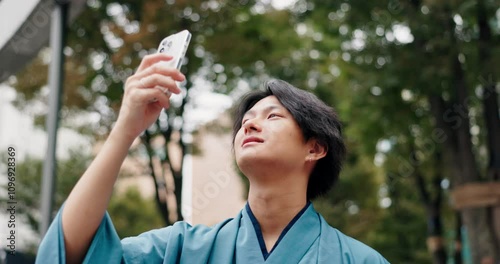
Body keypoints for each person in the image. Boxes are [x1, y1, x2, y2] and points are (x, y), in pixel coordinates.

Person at [36, 53, 389, 263]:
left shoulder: (358, 260)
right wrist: (125, 131)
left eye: (273, 116)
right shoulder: (183, 249)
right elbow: (73, 255)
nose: (250, 124)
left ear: (315, 147)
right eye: (246, 121)